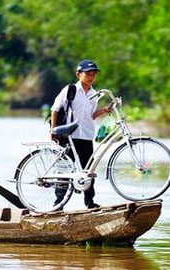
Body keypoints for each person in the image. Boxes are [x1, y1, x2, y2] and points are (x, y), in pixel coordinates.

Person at [49, 59, 114, 209]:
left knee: (88, 171)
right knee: (64, 171)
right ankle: (58, 204)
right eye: (88, 74)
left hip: (86, 135)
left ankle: (89, 202)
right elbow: (55, 108)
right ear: (79, 74)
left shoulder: (94, 94)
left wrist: (105, 110)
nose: (91, 77)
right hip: (69, 136)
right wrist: (54, 129)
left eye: (94, 74)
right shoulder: (70, 90)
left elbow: (91, 115)